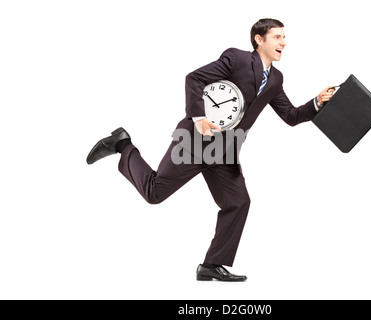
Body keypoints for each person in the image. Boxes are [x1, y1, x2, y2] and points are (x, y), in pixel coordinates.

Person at [86, 18, 335, 281]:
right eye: (277, 37)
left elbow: (291, 115)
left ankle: (211, 265)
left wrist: (317, 102)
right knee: (154, 193)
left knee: (238, 202)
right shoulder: (236, 59)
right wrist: (198, 117)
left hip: (225, 151)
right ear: (259, 40)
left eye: (284, 37)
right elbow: (194, 78)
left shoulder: (275, 79)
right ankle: (122, 144)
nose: (283, 42)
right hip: (195, 140)